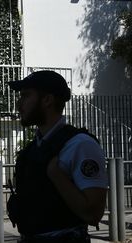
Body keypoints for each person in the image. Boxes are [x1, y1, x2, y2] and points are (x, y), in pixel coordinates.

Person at [6, 71, 108, 243]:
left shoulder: (81, 145)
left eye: (26, 96)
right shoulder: (33, 149)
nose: (19, 103)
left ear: (47, 100)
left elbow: (93, 214)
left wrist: (56, 175)